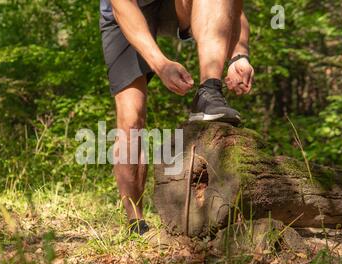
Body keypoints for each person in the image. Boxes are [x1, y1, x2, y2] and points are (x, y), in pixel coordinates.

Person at [99, 0, 254, 235]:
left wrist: (239, 56)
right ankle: (135, 222)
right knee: (131, 120)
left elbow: (235, 10)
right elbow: (122, 7)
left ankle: (209, 91)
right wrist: (161, 65)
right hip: (127, 9)